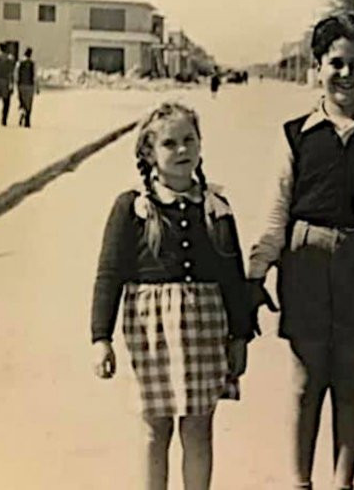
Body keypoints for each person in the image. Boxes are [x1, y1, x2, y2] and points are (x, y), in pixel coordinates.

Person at [247, 13, 354, 490]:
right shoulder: (295, 134)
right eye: (336, 63)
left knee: (350, 380)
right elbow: (276, 212)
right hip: (305, 261)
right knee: (306, 383)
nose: (346, 74)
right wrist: (256, 272)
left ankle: (343, 483)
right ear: (318, 67)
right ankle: (300, 482)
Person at [90, 102, 254, 490]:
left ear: (200, 144)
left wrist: (240, 335)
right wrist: (101, 338)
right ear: (149, 153)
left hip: (205, 328)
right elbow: (109, 274)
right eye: (169, 143)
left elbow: (233, 276)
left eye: (189, 140)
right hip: (152, 331)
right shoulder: (132, 207)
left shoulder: (215, 206)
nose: (182, 150)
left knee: (198, 428)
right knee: (154, 427)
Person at [16, 47, 38, 127]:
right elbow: (35, 76)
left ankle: (22, 112)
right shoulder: (32, 63)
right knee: (29, 104)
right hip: (30, 85)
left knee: (22, 102)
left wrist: (16, 84)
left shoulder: (19, 63)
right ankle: (27, 121)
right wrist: (37, 88)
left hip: (21, 85)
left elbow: (16, 74)